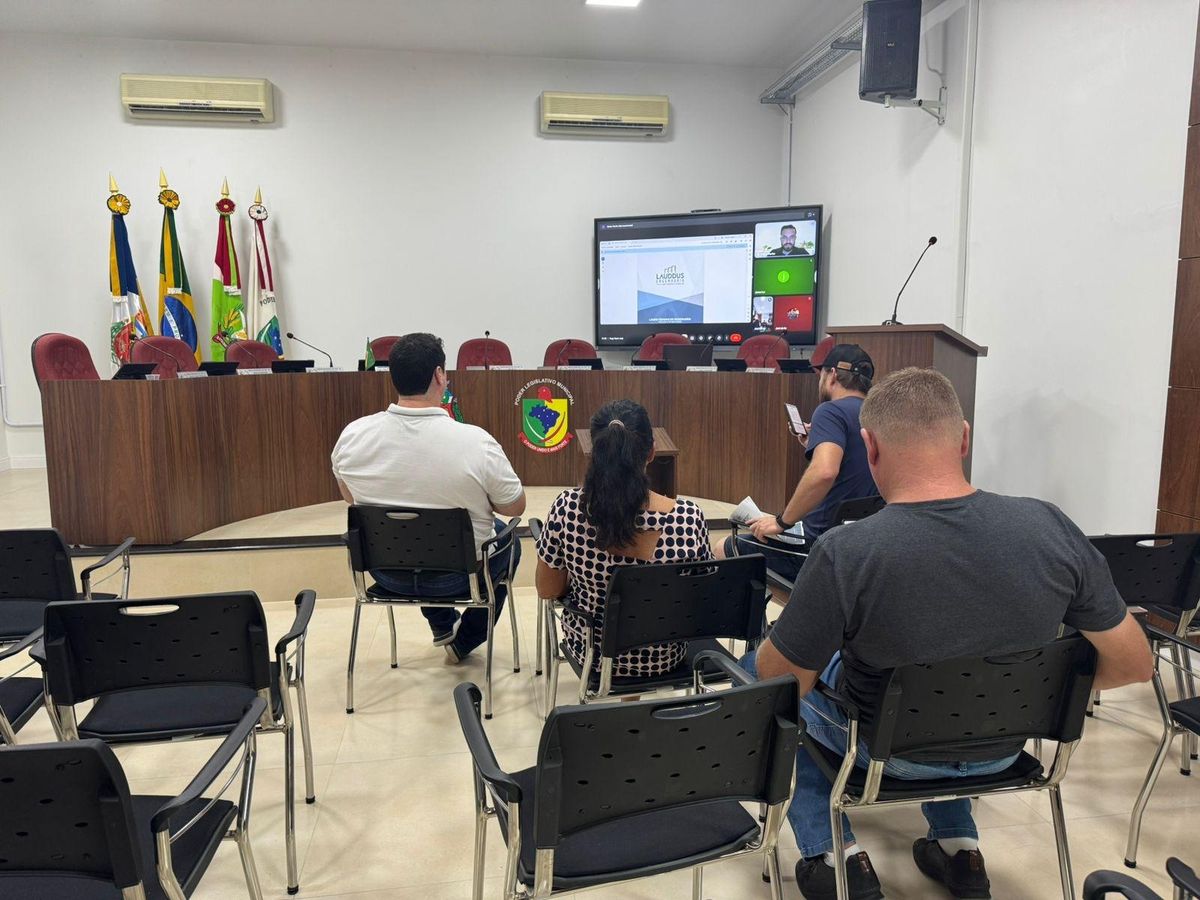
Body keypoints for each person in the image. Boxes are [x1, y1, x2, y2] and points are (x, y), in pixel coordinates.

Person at [742, 367, 1153, 900]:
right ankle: (962, 850)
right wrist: (1035, 693)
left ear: (869, 447)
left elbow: (782, 684)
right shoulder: (1051, 525)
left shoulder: (848, 552)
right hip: (1007, 748)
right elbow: (1134, 665)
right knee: (951, 677)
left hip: (884, 753)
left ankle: (833, 857)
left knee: (765, 675)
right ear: (963, 437)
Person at [332, 332, 526, 662]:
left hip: (385, 573)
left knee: (412, 530)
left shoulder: (352, 436)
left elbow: (352, 499)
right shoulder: (475, 443)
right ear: (439, 375)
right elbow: (515, 506)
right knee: (509, 541)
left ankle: (441, 624)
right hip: (458, 578)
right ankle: (464, 640)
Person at [535, 399, 712, 678]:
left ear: (595, 451)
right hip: (665, 659)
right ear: (652, 452)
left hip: (592, 656)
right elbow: (700, 596)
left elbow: (547, 590)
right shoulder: (688, 518)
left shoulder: (568, 508)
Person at [716, 343, 877, 583]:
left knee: (724, 547)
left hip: (818, 547)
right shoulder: (877, 415)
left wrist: (782, 522)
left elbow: (824, 472)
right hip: (862, 544)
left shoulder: (829, 411)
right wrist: (817, 442)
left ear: (831, 375)